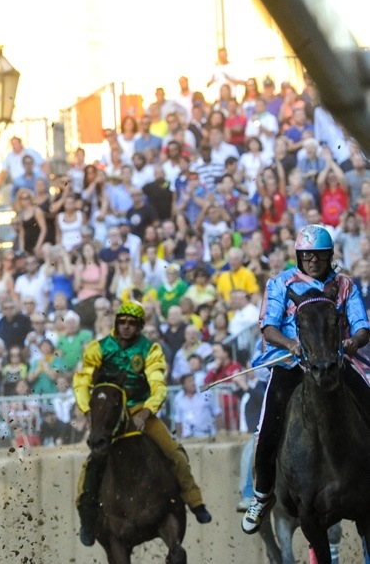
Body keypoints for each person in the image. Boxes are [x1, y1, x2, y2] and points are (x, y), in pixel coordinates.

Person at [241, 224, 370, 533]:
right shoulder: (279, 283)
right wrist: (291, 346)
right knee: (269, 424)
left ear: (329, 257)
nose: (314, 261)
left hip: (334, 360)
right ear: (299, 256)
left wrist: (353, 342)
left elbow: (362, 326)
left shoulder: (344, 285)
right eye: (308, 255)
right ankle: (261, 494)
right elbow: (269, 328)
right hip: (291, 364)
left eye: (320, 256)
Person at [73, 301, 212, 546]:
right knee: (91, 463)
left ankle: (195, 501)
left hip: (139, 410)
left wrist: (147, 411)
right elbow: (83, 381)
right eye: (122, 322)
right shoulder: (98, 348)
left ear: (139, 326)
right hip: (108, 416)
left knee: (174, 452)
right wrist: (87, 410)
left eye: (131, 323)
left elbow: (158, 383)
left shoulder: (151, 350)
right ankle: (87, 518)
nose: (126, 327)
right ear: (116, 324)